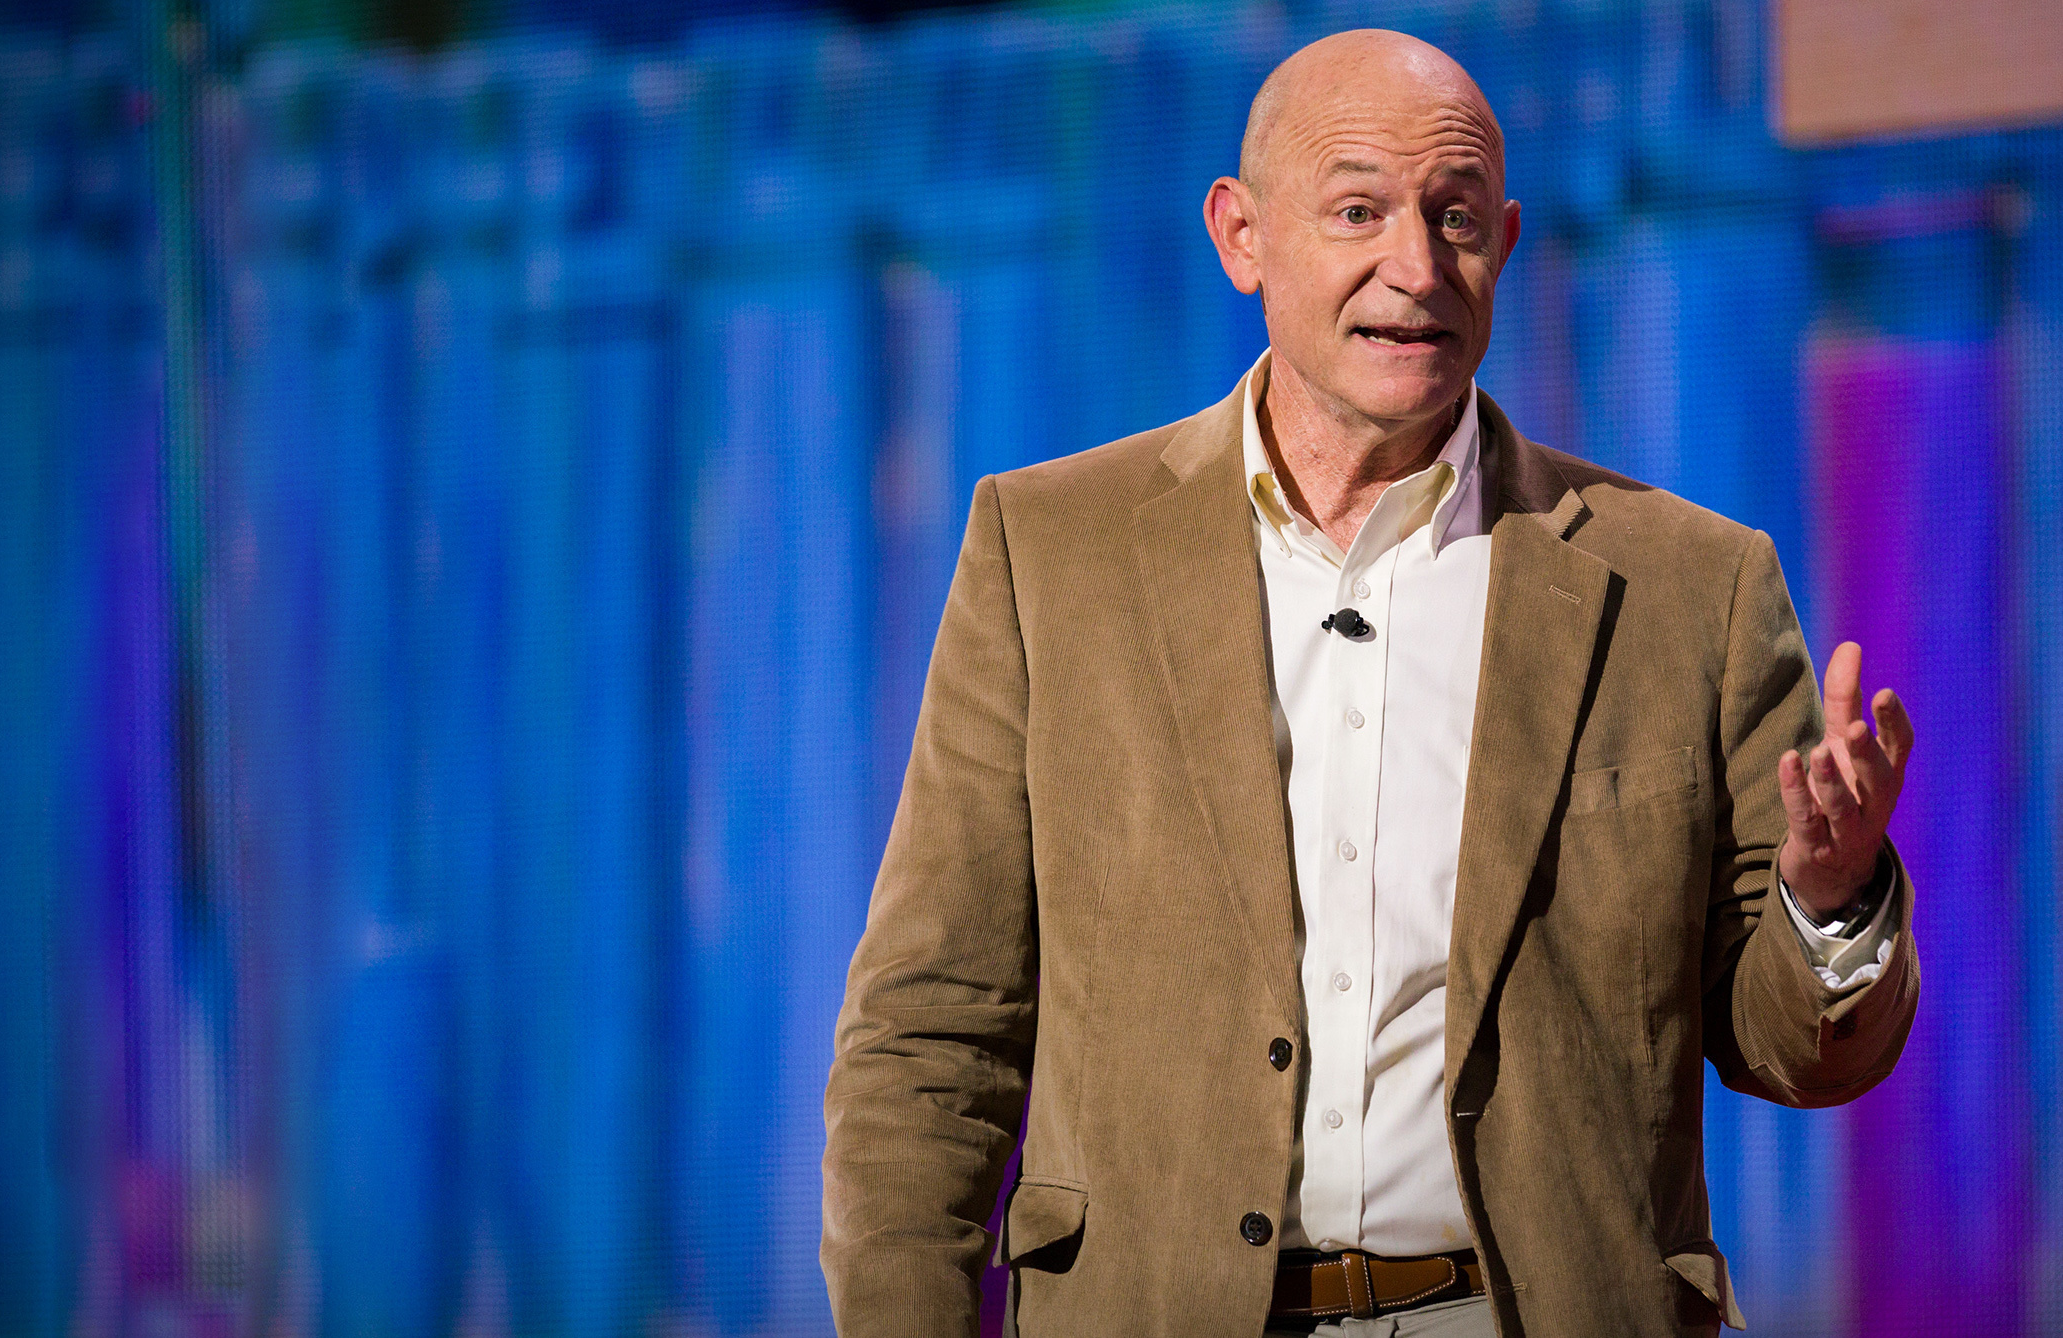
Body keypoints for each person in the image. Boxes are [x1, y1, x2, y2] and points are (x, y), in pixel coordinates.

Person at [819, 27, 1919, 1338]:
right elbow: (933, 1034)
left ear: (1504, 244)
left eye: (1456, 218)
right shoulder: (1051, 549)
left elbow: (1791, 1045)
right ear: (1243, 236)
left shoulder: (1690, 582)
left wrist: (1829, 901)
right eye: (1359, 210)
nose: (1417, 265)